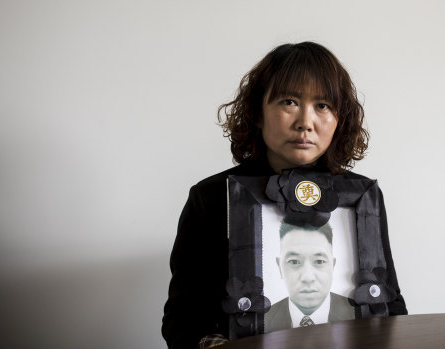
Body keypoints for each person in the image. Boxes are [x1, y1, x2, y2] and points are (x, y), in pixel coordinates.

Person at [162, 42, 407, 349]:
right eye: (289, 101)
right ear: (257, 112)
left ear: (339, 118)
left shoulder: (363, 198)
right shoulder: (210, 197)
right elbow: (182, 322)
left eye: (323, 105)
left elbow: (392, 303)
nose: (306, 122)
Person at [265, 222, 354, 332]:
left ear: (333, 266)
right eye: (294, 261)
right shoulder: (263, 321)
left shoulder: (358, 314)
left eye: (319, 261)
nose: (307, 277)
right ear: (280, 267)